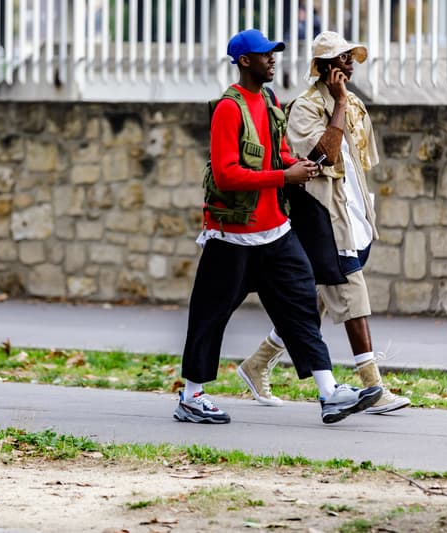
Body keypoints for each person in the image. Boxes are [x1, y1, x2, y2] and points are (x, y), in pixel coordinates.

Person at [174, 29, 382, 425]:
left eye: (274, 54)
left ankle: (329, 392)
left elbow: (281, 152)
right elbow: (227, 174)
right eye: (265, 55)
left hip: (274, 231)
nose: (273, 60)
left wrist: (294, 167)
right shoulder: (228, 109)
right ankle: (191, 395)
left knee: (301, 305)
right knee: (210, 313)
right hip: (232, 235)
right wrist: (282, 177)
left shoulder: (269, 101)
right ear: (244, 61)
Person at [238, 31, 411, 414]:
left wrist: (344, 104)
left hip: (352, 213)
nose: (350, 64)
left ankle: (257, 363)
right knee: (352, 293)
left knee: (308, 305)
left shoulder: (353, 104)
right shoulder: (304, 108)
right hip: (325, 219)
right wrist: (337, 106)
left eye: (351, 57)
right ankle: (373, 387)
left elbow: (360, 163)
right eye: (342, 58)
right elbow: (324, 157)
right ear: (325, 67)